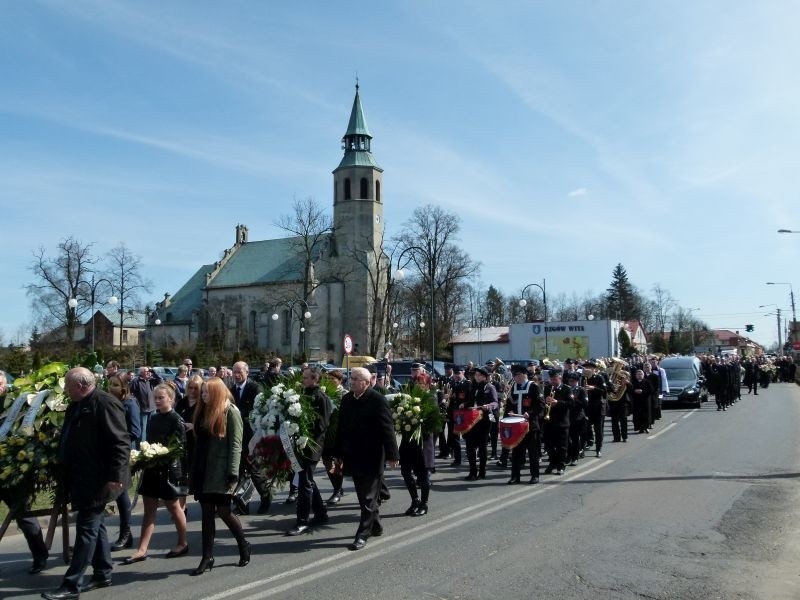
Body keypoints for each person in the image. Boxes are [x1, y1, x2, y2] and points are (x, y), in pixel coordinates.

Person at [41, 367, 129, 600]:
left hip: (99, 478)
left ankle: (71, 585)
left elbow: (120, 442)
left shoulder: (105, 403)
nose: (66, 390)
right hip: (81, 476)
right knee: (96, 526)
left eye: (68, 386)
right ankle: (102, 572)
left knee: (86, 530)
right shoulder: (77, 404)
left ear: (80, 386)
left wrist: (116, 476)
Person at [333, 367, 399, 551]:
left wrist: (393, 455)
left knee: (369, 498)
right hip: (353, 456)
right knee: (364, 497)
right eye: (351, 378)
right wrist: (338, 453)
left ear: (366, 382)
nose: (351, 381)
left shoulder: (377, 400)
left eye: (355, 379)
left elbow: (388, 428)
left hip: (372, 456)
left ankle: (362, 534)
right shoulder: (347, 400)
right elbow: (342, 428)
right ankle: (376, 525)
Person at [122, 383, 188, 566]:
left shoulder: (176, 419)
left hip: (169, 469)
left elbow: (181, 447)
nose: (157, 401)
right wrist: (145, 456)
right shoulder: (153, 418)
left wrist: (163, 455)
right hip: (152, 468)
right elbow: (149, 441)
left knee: (174, 508)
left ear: (171, 399)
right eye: (155, 398)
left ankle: (183, 542)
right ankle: (142, 549)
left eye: (161, 398)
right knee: (148, 509)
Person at [190, 378, 249, 575]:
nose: (204, 396)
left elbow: (236, 444)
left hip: (222, 471)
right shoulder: (203, 411)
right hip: (205, 470)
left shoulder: (230, 411)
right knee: (206, 515)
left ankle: (243, 545)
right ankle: (207, 557)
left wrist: (233, 472)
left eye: (207, 393)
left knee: (224, 512)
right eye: (203, 393)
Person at [0, 371, 49, 576]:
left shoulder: (17, 403)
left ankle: (40, 554)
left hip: (13, 468)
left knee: (23, 515)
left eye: (0, 383)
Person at [286, 366, 332, 535]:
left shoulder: (321, 398)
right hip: (300, 445)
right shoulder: (303, 394)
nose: (302, 380)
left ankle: (302, 521)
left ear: (314, 379)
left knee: (305, 483)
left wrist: (304, 423)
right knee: (307, 481)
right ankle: (320, 513)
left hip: (312, 446)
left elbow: (322, 425)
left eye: (305, 378)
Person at [229, 361, 271, 515]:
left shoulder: (255, 388)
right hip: (236, 437)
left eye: (239, 371)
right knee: (239, 471)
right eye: (234, 371)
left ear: (247, 372)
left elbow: (258, 410)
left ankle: (266, 498)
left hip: (252, 437)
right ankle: (242, 504)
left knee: (255, 471)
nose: (236, 374)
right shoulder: (231, 390)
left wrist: (241, 416)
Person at [106, 373, 141, 551]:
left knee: (121, 494)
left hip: (123, 452)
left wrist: (117, 439)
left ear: (124, 387)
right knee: (119, 496)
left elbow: (135, 430)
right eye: (109, 384)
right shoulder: (110, 402)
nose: (110, 388)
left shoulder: (130, 403)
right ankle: (125, 536)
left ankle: (126, 534)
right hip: (110, 452)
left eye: (115, 384)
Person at [400, 374, 438, 516]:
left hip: (423, 442)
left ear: (428, 384)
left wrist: (419, 421)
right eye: (416, 382)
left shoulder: (431, 398)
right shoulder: (408, 397)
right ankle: (415, 500)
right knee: (405, 472)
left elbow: (434, 422)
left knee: (423, 476)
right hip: (408, 441)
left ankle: (424, 504)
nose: (418, 385)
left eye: (421, 383)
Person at [504, 364, 544, 484]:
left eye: (515, 375)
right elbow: (509, 404)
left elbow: (541, 406)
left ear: (522, 375)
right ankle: (515, 476)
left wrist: (529, 414)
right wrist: (508, 414)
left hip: (530, 425)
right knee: (516, 452)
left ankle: (535, 476)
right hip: (516, 426)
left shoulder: (534, 387)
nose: (514, 378)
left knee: (533, 452)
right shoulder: (514, 387)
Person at [460, 367, 498, 481]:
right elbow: (472, 402)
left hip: (484, 420)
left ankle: (482, 471)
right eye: (476, 375)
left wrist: (489, 406)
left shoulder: (490, 387)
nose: (477, 377)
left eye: (479, 375)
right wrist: (464, 404)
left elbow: (496, 402)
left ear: (485, 377)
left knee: (482, 446)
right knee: (470, 446)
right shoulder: (473, 387)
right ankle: (472, 471)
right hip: (472, 420)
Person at [176, 374, 203, 514]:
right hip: (183, 444)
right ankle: (182, 509)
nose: (192, 391)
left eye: (195, 388)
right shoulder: (182, 402)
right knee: (182, 477)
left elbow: (207, 424)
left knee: (198, 477)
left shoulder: (203, 404)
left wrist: (194, 426)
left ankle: (209, 505)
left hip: (197, 445)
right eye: (190, 388)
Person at [323, 369, 347, 505]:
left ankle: (337, 491)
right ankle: (337, 487)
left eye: (333, 379)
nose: (330, 382)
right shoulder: (324, 392)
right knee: (327, 462)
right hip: (326, 434)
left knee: (337, 463)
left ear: (340, 381)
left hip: (338, 433)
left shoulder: (344, 394)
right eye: (328, 379)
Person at [542, 369, 572, 476]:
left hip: (562, 421)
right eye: (551, 379)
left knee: (561, 446)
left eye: (555, 379)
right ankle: (552, 462)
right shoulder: (547, 388)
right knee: (549, 444)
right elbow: (544, 403)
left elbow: (570, 404)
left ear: (560, 378)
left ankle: (561, 465)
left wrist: (557, 402)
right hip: (549, 421)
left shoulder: (567, 389)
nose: (553, 381)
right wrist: (546, 402)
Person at [129, 366, 163, 442]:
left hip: (152, 409)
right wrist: (135, 403)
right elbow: (129, 392)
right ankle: (140, 448)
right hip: (142, 409)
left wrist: (153, 371)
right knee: (142, 430)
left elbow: (161, 381)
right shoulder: (136, 381)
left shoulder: (151, 380)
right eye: (146, 371)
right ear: (141, 373)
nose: (148, 372)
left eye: (149, 371)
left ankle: (149, 445)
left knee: (151, 429)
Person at [582, 361, 608, 458]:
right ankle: (584, 446)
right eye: (586, 367)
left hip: (598, 407)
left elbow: (604, 391)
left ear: (594, 369)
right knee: (585, 429)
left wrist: (593, 388)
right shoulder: (582, 378)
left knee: (598, 430)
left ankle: (598, 449)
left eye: (590, 367)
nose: (587, 369)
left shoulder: (599, 378)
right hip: (587, 407)